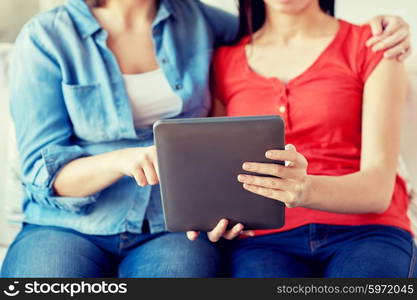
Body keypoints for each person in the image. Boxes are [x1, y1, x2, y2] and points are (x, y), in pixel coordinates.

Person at [1, 0, 412, 278]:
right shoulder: (48, 36)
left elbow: (282, 26)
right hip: (68, 223)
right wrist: (121, 160)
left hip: (170, 228)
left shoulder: (200, 22)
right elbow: (42, 167)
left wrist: (390, 24)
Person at [191, 0, 416, 278]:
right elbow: (224, 176)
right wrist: (213, 215)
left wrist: (306, 189)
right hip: (265, 241)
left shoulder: (376, 44)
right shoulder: (224, 61)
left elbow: (378, 191)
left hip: (367, 231)